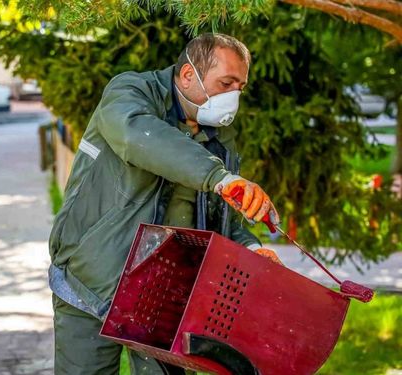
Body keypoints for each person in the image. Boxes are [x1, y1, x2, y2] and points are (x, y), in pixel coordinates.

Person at [48, 33, 282, 374]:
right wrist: (219, 177)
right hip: (90, 280)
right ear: (188, 75)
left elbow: (222, 219)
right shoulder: (129, 93)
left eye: (240, 87)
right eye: (226, 83)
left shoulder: (218, 134)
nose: (233, 96)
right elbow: (138, 136)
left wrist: (251, 248)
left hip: (163, 298)